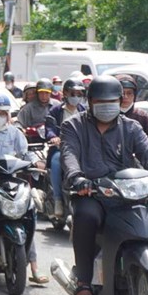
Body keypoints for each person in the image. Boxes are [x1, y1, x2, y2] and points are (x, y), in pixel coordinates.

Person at [61, 75, 148, 295]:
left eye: (112, 101)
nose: (107, 106)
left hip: (127, 192)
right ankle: (84, 283)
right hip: (92, 193)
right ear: (89, 101)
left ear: (120, 101)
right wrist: (77, 178)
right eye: (100, 101)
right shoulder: (73, 126)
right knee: (85, 217)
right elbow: (69, 155)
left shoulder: (131, 126)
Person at [0, 94, 48, 284]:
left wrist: (37, 163)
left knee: (26, 214)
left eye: (4, 113)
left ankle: (33, 267)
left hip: (10, 182)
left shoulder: (15, 133)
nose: (0, 116)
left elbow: (25, 153)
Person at [44, 78, 86, 218]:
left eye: (79, 94)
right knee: (57, 160)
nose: (76, 97)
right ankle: (58, 200)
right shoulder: (56, 110)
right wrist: (53, 137)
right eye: (73, 93)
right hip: (60, 149)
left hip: (81, 150)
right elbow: (49, 128)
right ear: (66, 93)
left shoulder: (84, 111)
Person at [115, 74, 148, 152]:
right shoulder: (107, 115)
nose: (125, 97)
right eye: (122, 93)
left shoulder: (141, 116)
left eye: (129, 93)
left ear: (134, 95)